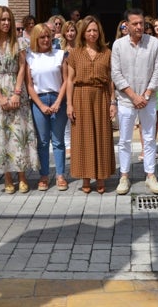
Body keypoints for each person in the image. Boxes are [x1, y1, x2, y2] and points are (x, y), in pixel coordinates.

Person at [0, 6, 38, 194]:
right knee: (2, 135)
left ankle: (22, 176)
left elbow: (22, 67)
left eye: (8, 20)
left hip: (16, 88)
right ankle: (7, 177)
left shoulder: (19, 42)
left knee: (19, 134)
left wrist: (16, 92)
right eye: (2, 20)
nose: (6, 23)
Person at [112, 8, 158, 195]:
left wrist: (146, 95)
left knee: (149, 139)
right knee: (125, 140)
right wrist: (133, 96)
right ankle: (124, 176)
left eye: (141, 23)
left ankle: (150, 175)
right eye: (135, 23)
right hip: (126, 100)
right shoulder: (118, 45)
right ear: (126, 25)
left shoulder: (154, 43)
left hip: (148, 100)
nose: (139, 26)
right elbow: (116, 74)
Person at [66, 15, 116, 194]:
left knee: (102, 135)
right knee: (83, 137)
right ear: (83, 32)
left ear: (99, 32)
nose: (92, 33)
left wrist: (113, 102)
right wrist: (69, 105)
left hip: (101, 96)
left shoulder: (107, 53)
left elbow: (111, 80)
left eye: (95, 30)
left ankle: (101, 177)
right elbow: (70, 80)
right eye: (89, 30)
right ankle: (86, 178)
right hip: (81, 96)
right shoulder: (75, 54)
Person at [26, 24, 68, 191]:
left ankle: (60, 175)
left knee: (58, 141)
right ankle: (44, 175)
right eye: (41, 37)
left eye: (47, 36)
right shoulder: (29, 56)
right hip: (39, 100)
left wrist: (58, 102)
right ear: (35, 38)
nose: (45, 40)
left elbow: (66, 80)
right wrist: (41, 105)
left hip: (58, 99)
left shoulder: (59, 54)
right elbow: (29, 85)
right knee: (42, 141)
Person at [60, 20, 78, 157]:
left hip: (78, 85)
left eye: (72, 30)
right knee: (67, 117)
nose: (70, 33)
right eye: (68, 31)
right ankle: (68, 145)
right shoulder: (61, 51)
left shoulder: (81, 49)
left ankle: (78, 143)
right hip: (65, 85)